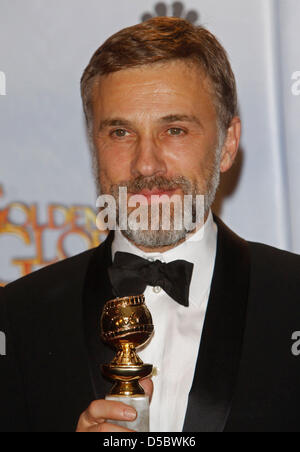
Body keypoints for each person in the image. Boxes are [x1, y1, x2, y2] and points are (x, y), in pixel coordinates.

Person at [0, 17, 300, 433]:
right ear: (93, 144)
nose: (145, 164)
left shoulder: (292, 299)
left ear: (227, 145)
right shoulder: (17, 318)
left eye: (174, 130)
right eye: (121, 132)